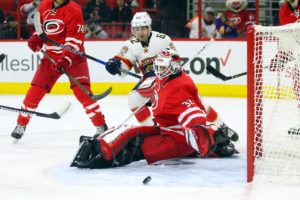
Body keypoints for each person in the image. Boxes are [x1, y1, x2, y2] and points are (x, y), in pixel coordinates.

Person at [70, 49, 239, 169]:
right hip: (166, 129)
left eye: (162, 68)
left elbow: (194, 116)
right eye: (156, 67)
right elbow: (155, 86)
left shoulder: (179, 89)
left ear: (173, 67)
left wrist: (203, 137)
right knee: (130, 132)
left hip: (179, 137)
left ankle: (216, 139)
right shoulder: (164, 78)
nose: (158, 71)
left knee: (142, 146)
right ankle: (101, 146)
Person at [11, 0, 108, 141]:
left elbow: (75, 40)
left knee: (83, 93)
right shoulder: (44, 5)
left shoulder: (74, 9)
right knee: (34, 92)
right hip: (50, 57)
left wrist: (66, 59)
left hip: (74, 57)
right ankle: (21, 124)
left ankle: (101, 125)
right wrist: (35, 38)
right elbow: (41, 30)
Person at [104, 11, 178, 126]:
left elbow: (176, 59)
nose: (140, 32)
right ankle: (150, 127)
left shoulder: (163, 39)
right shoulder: (131, 44)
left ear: (149, 27)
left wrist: (163, 69)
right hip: (148, 81)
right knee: (134, 98)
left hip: (167, 78)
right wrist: (115, 65)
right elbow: (124, 62)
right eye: (136, 29)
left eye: (143, 28)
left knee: (173, 103)